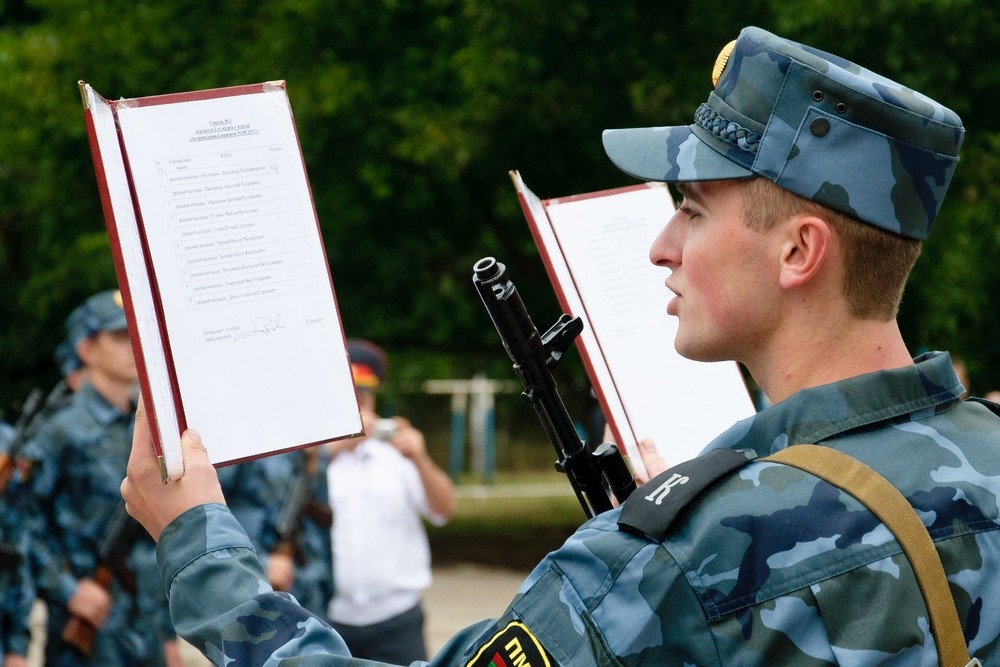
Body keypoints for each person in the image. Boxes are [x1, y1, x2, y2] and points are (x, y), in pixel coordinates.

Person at [119, 26, 1000, 665]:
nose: (661, 246)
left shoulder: (687, 552)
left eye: (690, 210)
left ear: (799, 250)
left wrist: (199, 545)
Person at [17, 290, 179, 666]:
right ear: (87, 350)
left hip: (147, 627)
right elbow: (18, 520)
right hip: (88, 627)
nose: (132, 347)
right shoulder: (60, 430)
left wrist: (168, 635)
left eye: (135, 337)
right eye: (119, 337)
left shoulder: (145, 429)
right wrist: (67, 589)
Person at [322, 338, 456, 662]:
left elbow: (445, 509)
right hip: (327, 617)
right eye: (348, 395)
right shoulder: (313, 460)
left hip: (397, 620)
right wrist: (337, 447)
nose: (357, 404)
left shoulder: (397, 453)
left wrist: (420, 460)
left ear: (373, 395)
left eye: (363, 394)